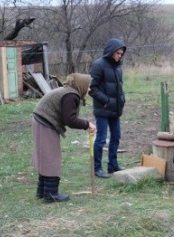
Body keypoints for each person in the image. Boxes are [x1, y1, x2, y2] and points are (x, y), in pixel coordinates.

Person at [31, 73, 96, 203]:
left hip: (41, 120)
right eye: (88, 86)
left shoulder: (68, 92)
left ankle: (43, 191)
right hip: (45, 122)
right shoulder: (71, 95)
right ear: (81, 85)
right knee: (51, 158)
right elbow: (70, 120)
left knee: (46, 157)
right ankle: (50, 194)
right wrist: (87, 124)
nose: (89, 89)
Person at [89, 38, 126, 179]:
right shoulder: (98, 65)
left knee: (116, 136)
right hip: (102, 109)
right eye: (117, 53)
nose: (119, 56)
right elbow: (92, 87)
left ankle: (113, 165)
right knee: (101, 139)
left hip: (115, 109)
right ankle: (97, 168)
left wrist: (122, 99)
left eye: (121, 53)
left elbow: (119, 86)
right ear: (111, 51)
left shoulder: (118, 66)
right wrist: (105, 101)